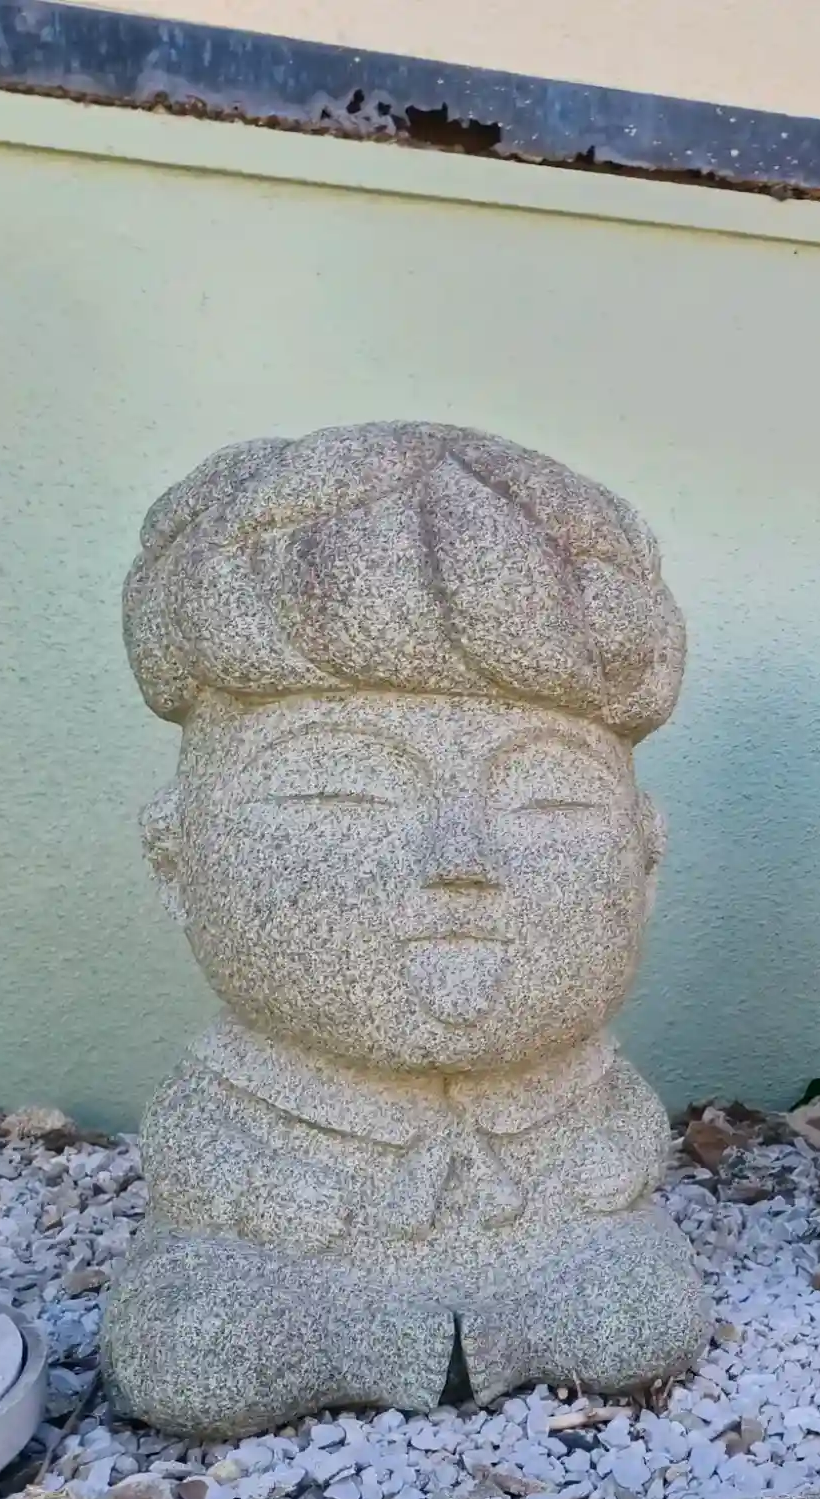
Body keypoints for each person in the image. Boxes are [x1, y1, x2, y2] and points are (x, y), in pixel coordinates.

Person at [100, 421, 710, 1437]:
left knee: (639, 1312)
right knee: (199, 1348)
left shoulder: (587, 1100)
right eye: (343, 789)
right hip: (262, 1251)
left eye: (548, 796)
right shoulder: (236, 1114)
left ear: (646, 858)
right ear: (176, 857)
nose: (460, 857)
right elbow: (196, 1174)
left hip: (565, 1210)